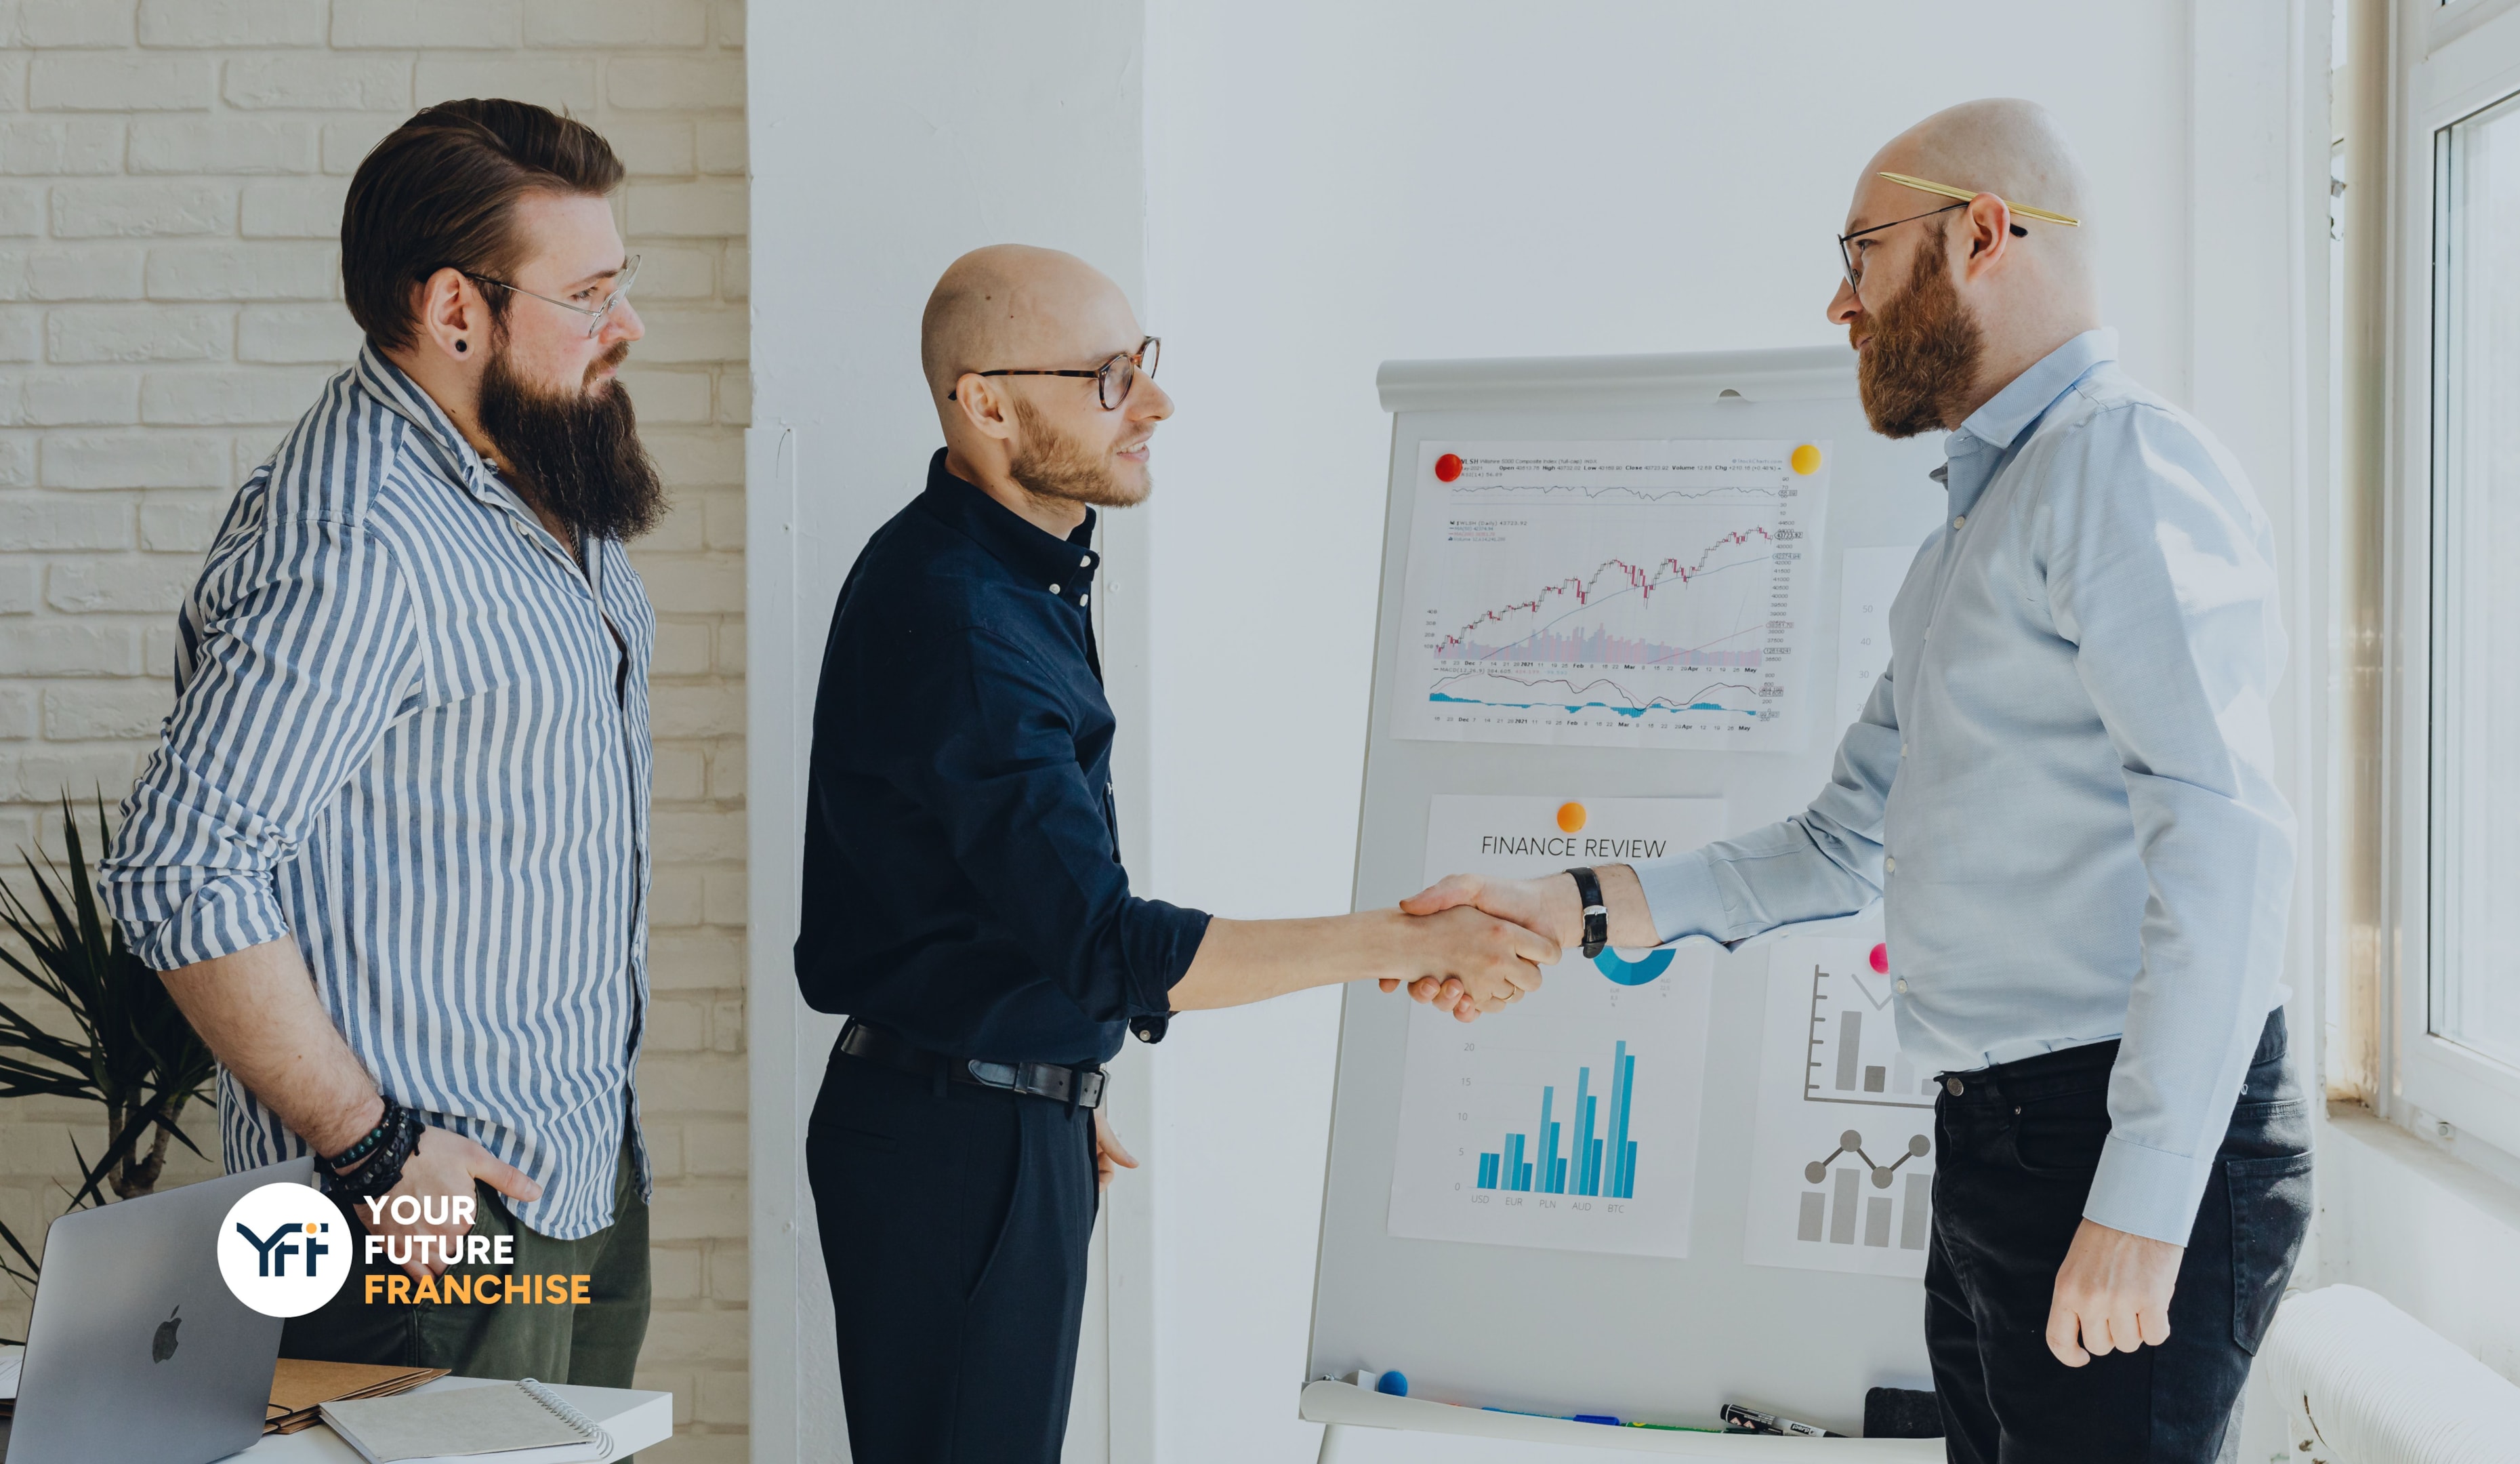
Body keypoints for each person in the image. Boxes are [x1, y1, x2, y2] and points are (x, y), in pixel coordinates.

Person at [1409, 100, 2309, 1462]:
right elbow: (1836, 845)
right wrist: (1573, 907)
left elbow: (2226, 838)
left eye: (1864, 254)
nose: (1841, 302)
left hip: (2108, 1136)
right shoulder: (1972, 536)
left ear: (1983, 235)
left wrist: (2143, 1201)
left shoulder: (2116, 467)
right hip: (2004, 1142)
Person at [800, 244, 1552, 1461]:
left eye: (1141, 364)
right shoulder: (963, 616)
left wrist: (1048, 1076)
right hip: (954, 1139)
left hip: (990, 1114)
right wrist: (1414, 939)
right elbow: (1104, 943)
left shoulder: (1014, 576)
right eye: (1107, 377)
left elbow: (986, 893)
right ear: (986, 402)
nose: (1153, 402)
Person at [102, 100, 666, 1386]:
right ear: (456, 312)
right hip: (415, 1229)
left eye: (620, 283)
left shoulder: (536, 463)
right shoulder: (362, 542)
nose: (623, 327)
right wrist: (375, 1151)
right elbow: (181, 869)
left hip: (566, 1172)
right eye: (587, 295)